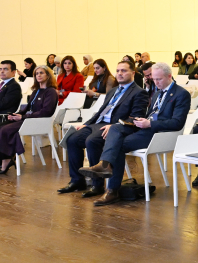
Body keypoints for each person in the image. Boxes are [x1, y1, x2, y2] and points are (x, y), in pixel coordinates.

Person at [80, 62, 191, 205]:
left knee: (117, 144)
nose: (156, 82)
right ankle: (105, 167)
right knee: (115, 128)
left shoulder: (181, 94)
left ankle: (111, 188)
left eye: (159, 79)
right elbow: (152, 114)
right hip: (146, 129)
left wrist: (149, 124)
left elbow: (177, 123)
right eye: (154, 79)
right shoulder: (158, 92)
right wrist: (142, 121)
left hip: (161, 134)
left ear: (169, 76)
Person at [58, 61, 148, 198]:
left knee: (92, 141)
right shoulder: (112, 91)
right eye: (118, 71)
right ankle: (77, 181)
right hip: (98, 124)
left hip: (115, 127)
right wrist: (87, 124)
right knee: (72, 139)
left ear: (133, 73)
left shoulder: (139, 92)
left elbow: (136, 117)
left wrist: (115, 125)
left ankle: (97, 185)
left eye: (124, 71)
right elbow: (101, 111)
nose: (119, 73)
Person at [0, 66, 59, 174]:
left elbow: (46, 112)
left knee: (5, 130)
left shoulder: (51, 92)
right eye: (36, 74)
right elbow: (27, 109)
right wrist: (16, 115)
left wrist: (22, 117)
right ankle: (3, 158)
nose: (38, 75)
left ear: (48, 75)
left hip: (39, 122)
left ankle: (6, 159)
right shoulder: (36, 91)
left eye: (41, 73)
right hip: (29, 119)